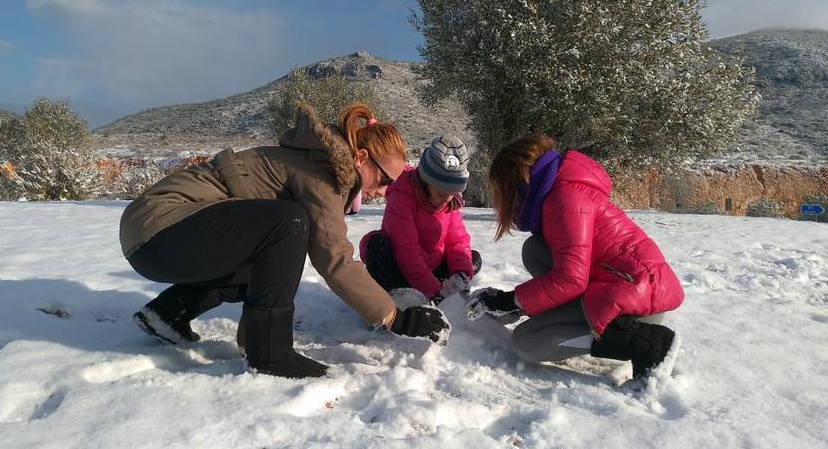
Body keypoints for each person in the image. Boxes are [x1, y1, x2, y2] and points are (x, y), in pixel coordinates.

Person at [119, 102, 451, 380]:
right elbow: (334, 258)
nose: (383, 192)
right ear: (361, 158)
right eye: (383, 180)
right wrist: (395, 317)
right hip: (160, 230)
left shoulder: (316, 164)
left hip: (154, 237)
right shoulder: (321, 175)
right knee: (291, 222)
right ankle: (270, 354)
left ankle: (168, 313)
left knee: (270, 260)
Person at [465, 134, 684, 380]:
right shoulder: (560, 190)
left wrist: (510, 301)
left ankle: (640, 342)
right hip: (624, 287)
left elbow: (570, 279)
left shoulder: (565, 200)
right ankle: (607, 327)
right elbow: (571, 270)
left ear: (516, 180)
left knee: (527, 341)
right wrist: (519, 306)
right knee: (535, 250)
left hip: (635, 302)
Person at [359, 135, 482, 304]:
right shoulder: (402, 198)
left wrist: (460, 274)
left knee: (470, 259)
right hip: (400, 269)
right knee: (376, 244)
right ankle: (397, 298)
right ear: (426, 181)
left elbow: (457, 241)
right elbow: (406, 251)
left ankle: (443, 289)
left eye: (452, 193)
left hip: (431, 269)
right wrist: (434, 293)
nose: (446, 199)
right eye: (440, 193)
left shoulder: (450, 203)